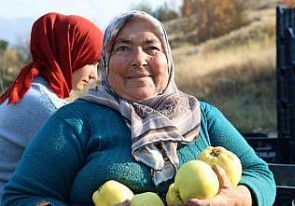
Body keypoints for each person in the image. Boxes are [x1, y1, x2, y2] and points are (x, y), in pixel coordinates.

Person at [1, 10, 276, 205]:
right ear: (106, 62)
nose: (138, 60)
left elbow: (260, 174)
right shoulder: (75, 121)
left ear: (168, 59)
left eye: (151, 48)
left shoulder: (203, 116)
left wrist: (239, 198)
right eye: (123, 48)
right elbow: (21, 197)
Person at [0, 12, 103, 201]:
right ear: (70, 55)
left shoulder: (32, 91)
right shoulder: (45, 106)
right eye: (90, 62)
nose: (94, 75)